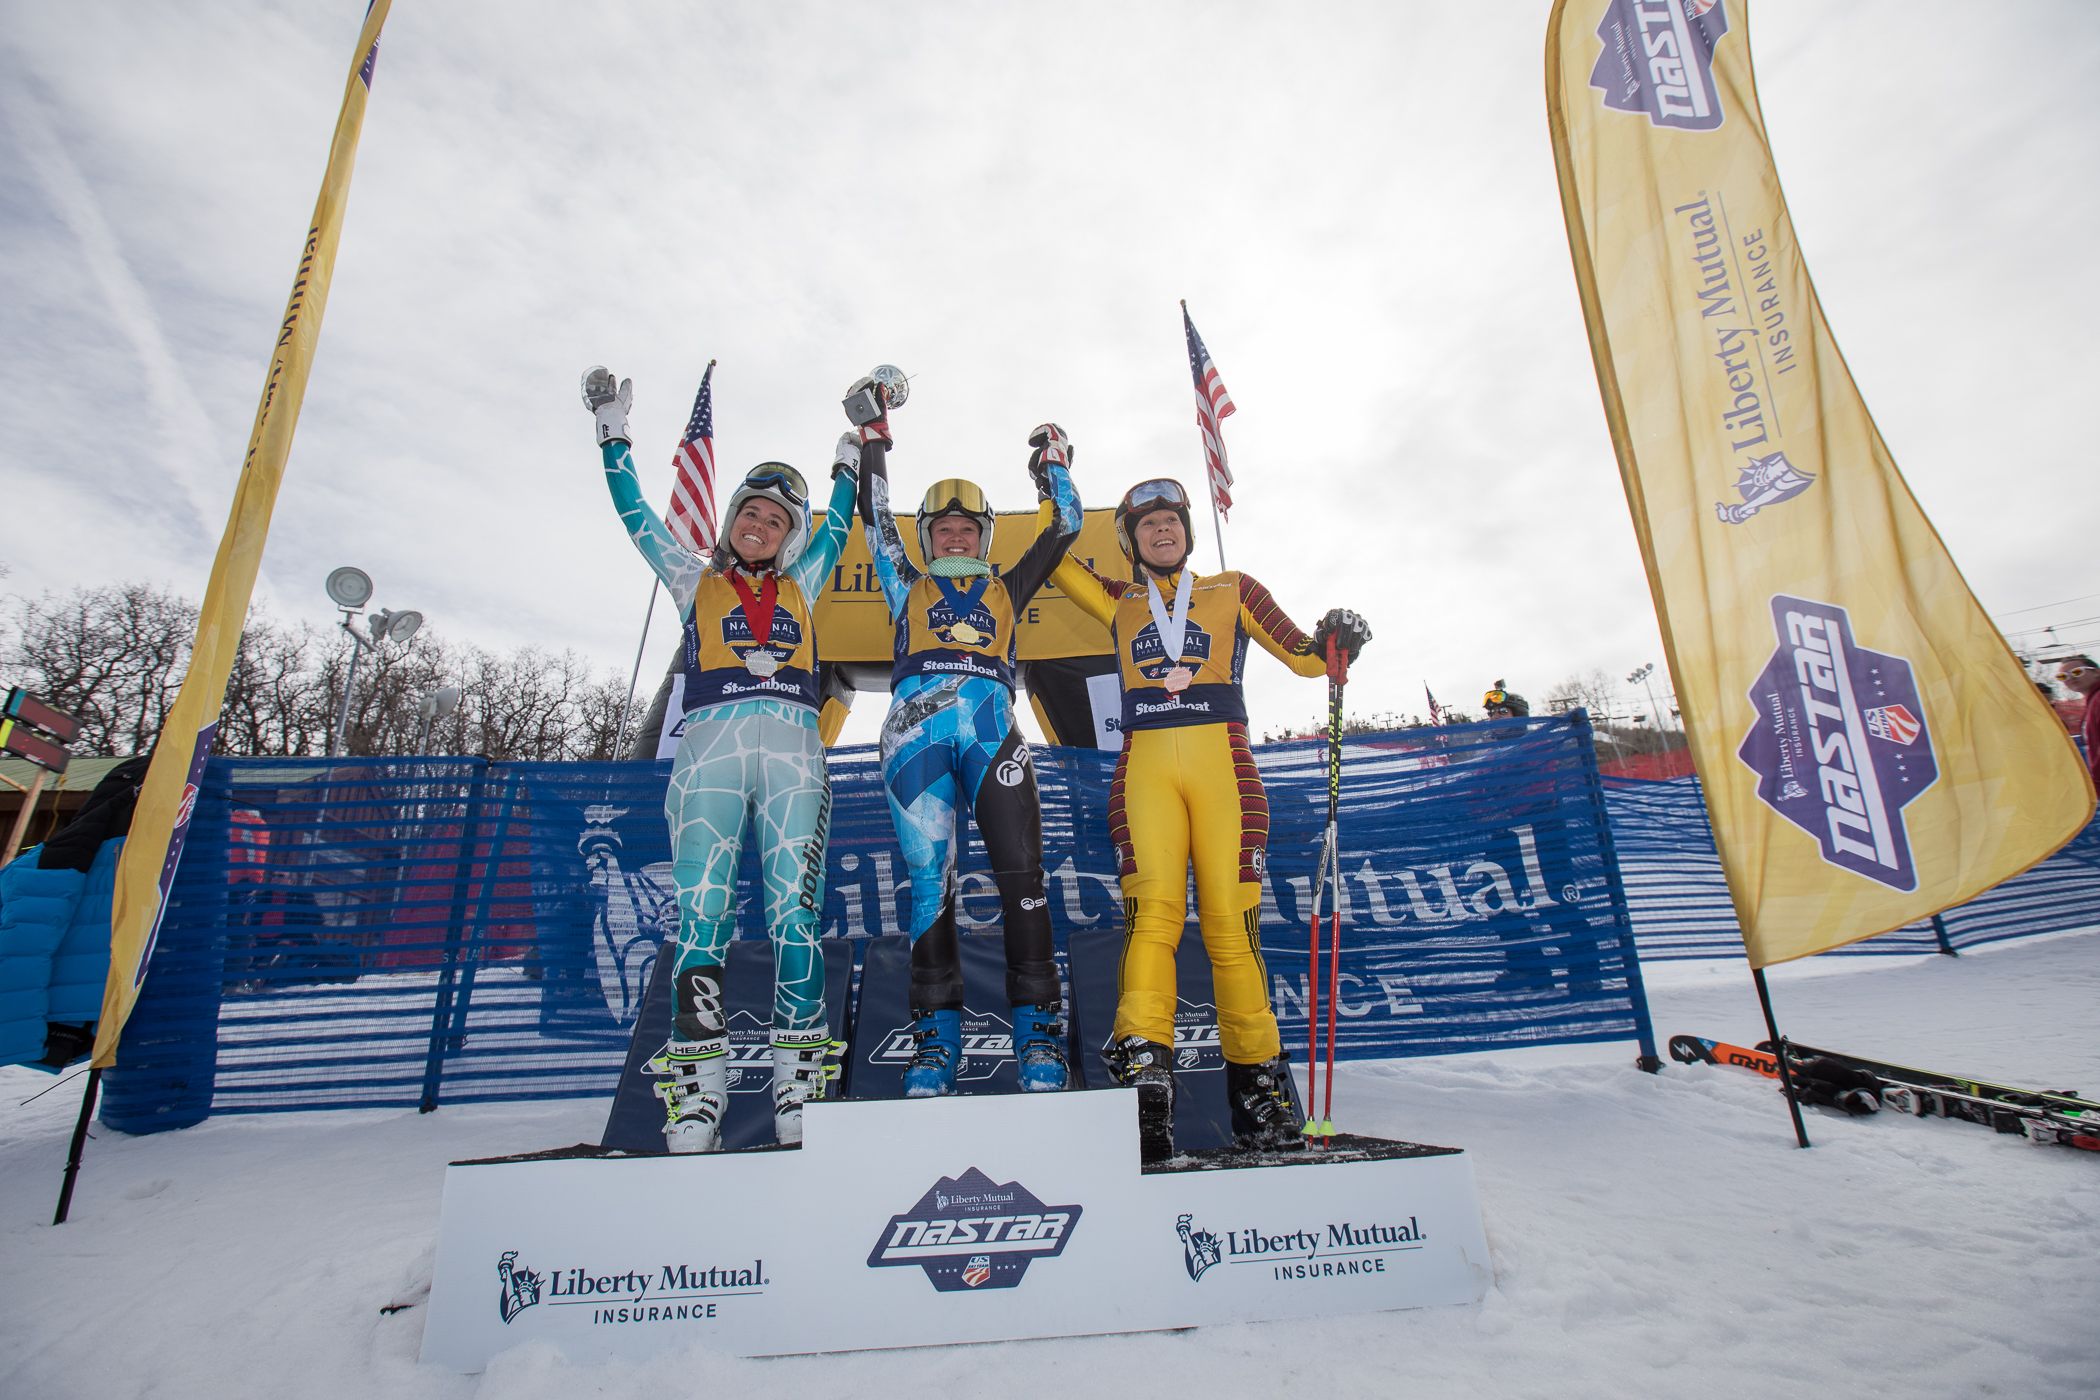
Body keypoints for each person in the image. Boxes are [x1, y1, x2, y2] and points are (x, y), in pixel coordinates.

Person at [581, 366, 859, 1152]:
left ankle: (798, 1078)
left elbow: (840, 519)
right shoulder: (691, 577)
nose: (762, 526)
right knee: (702, 921)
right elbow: (636, 516)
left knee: (794, 921)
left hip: (794, 764)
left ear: (790, 533)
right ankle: (697, 1091)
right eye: (751, 512)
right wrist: (613, 437)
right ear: (732, 518)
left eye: (776, 518)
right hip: (707, 763)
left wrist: (852, 456)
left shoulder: (807, 579)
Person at [1052, 478, 1370, 1159]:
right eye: (1146, 525)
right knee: (1155, 920)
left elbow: (1308, 658)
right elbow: (1052, 556)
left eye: (1170, 520)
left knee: (1232, 931)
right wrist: (1054, 478)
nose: (1160, 530)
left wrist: (1338, 636)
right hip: (1144, 777)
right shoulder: (1120, 599)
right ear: (1131, 542)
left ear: (1187, 532)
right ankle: (1146, 1084)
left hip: (1226, 770)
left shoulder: (1234, 588)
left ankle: (1261, 1100)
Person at [856, 396, 1083, 1096]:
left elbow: (1067, 525)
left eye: (966, 530)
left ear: (984, 537)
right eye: (943, 530)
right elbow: (874, 517)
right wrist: (875, 438)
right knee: (929, 889)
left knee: (1023, 879)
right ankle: (935, 1048)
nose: (954, 538)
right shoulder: (904, 581)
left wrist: (1053, 465)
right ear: (928, 538)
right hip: (914, 736)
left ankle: (1039, 1040)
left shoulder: (1010, 585)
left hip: (992, 731)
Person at [2057, 654, 2100, 786]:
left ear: (2096, 672)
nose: (2070, 678)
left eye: (2077, 672)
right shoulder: (2093, 701)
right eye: (2063, 676)